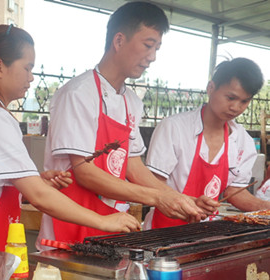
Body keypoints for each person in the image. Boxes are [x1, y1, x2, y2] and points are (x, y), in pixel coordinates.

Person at [0, 24, 140, 276]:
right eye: (27, 68)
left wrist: (33, 182)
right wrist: (104, 221)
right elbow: (39, 196)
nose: (31, 77)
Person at [37, 1, 207, 249]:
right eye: (148, 46)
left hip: (113, 228)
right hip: (69, 229)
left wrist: (179, 199)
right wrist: (157, 197)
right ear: (118, 41)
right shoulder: (78, 94)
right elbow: (84, 172)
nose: (152, 57)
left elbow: (132, 165)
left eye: (157, 48)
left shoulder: (131, 102)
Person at [145, 57, 270, 229]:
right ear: (211, 88)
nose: (236, 107)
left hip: (206, 232)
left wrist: (266, 208)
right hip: (164, 229)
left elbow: (234, 192)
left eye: (244, 101)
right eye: (231, 97)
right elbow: (153, 183)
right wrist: (187, 203)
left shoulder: (242, 141)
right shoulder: (174, 128)